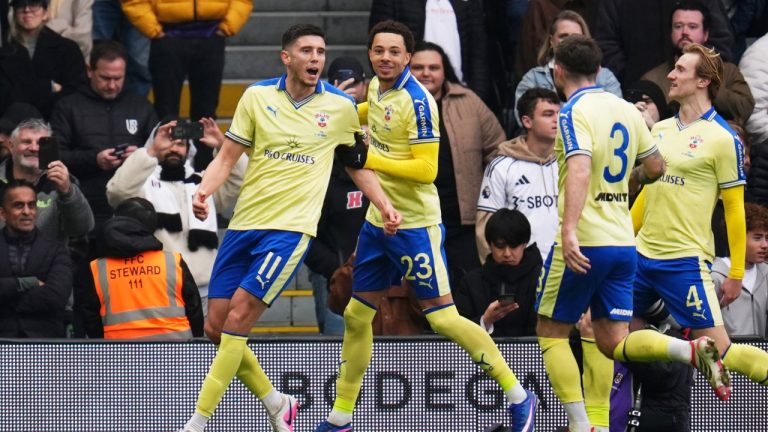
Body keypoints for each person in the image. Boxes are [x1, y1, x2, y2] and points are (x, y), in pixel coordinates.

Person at [176, 24, 400, 432]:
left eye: (320, 51)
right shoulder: (257, 97)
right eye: (307, 51)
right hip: (244, 225)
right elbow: (226, 157)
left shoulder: (339, 107)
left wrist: (384, 203)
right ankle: (277, 402)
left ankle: (196, 422)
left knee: (238, 321)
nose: (316, 58)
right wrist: (204, 192)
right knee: (214, 327)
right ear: (287, 57)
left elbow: (355, 164)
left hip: (290, 230)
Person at [316, 20, 537, 432]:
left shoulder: (418, 102)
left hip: (415, 224)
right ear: (370, 53)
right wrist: (334, 106)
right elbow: (366, 114)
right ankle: (340, 418)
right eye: (378, 50)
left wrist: (367, 159)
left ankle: (519, 397)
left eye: (394, 52)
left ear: (407, 56)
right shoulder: (379, 91)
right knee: (357, 315)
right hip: (377, 222)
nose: (385, 57)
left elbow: (426, 169)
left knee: (443, 319)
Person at [535, 35, 727, 432]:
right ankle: (688, 349)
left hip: (585, 240)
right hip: (624, 243)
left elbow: (582, 168)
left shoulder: (572, 111)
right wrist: (625, 184)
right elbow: (655, 167)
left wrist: (569, 230)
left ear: (558, 71)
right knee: (613, 340)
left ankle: (582, 425)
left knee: (551, 333)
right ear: (600, 70)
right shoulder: (626, 109)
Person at [631, 41, 768, 404]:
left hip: (684, 262)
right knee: (610, 337)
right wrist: (624, 240)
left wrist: (736, 271)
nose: (671, 75)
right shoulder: (658, 129)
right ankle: (687, 351)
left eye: (680, 70)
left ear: (703, 81)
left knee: (723, 351)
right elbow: (648, 196)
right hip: (641, 257)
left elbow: (735, 210)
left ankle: (699, 351)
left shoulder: (723, 139)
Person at [106, 119, 244, 316]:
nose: (174, 148)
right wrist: (152, 150)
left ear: (189, 150)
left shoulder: (205, 183)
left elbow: (243, 179)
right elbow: (116, 193)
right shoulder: (142, 185)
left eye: (180, 144)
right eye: (168, 142)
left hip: (206, 291)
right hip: (159, 290)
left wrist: (224, 147)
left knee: (204, 347)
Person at [409, 40, 506, 287]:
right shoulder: (392, 104)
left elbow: (498, 148)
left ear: (445, 71)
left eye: (433, 67)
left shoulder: (468, 101)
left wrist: (488, 193)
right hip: (415, 222)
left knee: (468, 291)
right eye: (418, 67)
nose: (426, 73)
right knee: (423, 296)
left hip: (463, 222)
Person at [121, 0, 253, 170]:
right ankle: (168, 168)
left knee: (205, 114)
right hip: (168, 36)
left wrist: (228, 25)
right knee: (167, 113)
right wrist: (153, 29)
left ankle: (203, 170)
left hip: (211, 35)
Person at [51, 40, 157, 243]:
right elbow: (55, 156)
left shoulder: (141, 106)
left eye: (118, 78)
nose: (112, 85)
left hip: (134, 203)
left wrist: (140, 155)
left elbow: (158, 150)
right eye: (105, 78)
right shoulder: (68, 107)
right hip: (85, 200)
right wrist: (95, 160)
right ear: (90, 70)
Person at [80, 197, 203, 340]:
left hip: (120, 355)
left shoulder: (98, 268)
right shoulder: (172, 261)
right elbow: (194, 309)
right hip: (176, 352)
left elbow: (91, 320)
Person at [477, 87, 560, 263]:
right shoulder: (501, 166)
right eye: (548, 114)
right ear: (527, 121)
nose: (557, 120)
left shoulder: (571, 163)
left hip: (566, 265)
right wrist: (493, 273)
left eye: (559, 113)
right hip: (520, 270)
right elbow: (486, 226)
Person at [640, 0, 754, 125]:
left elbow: (745, 109)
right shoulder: (652, 78)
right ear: (671, 32)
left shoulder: (728, 71)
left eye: (692, 26)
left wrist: (709, 82)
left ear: (706, 34)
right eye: (678, 26)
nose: (685, 32)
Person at [368, 0, 493, 108]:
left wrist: (477, 97)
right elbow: (379, 46)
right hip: (405, 96)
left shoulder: (468, 4)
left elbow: (478, 52)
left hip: (458, 96)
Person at [515, 10, 621, 127]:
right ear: (551, 41)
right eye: (563, 36)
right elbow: (523, 120)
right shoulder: (533, 79)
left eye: (576, 37)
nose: (570, 41)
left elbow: (616, 119)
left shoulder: (605, 77)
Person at [593, 0, 733, 87]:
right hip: (637, 95)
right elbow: (605, 43)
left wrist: (694, 76)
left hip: (697, 100)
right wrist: (628, 75)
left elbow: (721, 43)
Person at [0, 118, 93, 241]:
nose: (34, 148)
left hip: (47, 259)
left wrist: (67, 192)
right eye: (26, 142)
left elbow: (81, 229)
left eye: (41, 143)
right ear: (11, 146)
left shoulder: (63, 182)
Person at [0, 179, 72, 338]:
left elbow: (56, 297)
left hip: (44, 344)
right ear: (3, 213)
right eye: (18, 205)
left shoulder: (56, 249)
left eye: (31, 205)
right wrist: (28, 283)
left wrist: (6, 303)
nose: (27, 212)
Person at [455, 208, 541, 337]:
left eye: (513, 246)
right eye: (500, 246)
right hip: (483, 355)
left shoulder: (541, 278)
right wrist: (485, 321)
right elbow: (457, 332)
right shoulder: (471, 282)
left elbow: (549, 330)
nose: (507, 253)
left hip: (533, 354)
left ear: (524, 244)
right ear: (489, 244)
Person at [1, 0, 86, 119]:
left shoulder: (67, 49)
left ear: (45, 12)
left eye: (34, 4)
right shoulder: (3, 52)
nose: (27, 10)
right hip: (12, 128)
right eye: (20, 5)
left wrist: (23, 91)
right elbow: (4, 97)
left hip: (57, 125)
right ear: (14, 11)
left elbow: (76, 95)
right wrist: (48, 86)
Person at [712, 202, 768, 339]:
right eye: (757, 238)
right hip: (727, 356)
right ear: (737, 238)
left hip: (760, 357)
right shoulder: (714, 276)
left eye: (767, 238)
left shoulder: (766, 273)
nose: (765, 245)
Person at [91, 0, 151, 97]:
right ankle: (93, 108)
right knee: (96, 57)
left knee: (139, 65)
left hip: (141, 3)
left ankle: (135, 109)